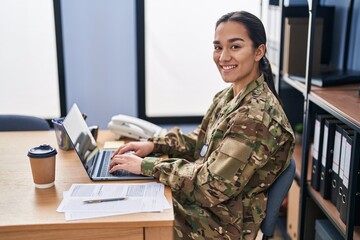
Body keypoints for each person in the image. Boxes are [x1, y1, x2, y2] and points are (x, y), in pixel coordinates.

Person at [110, 11, 295, 240]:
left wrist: (148, 167)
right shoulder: (229, 96)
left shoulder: (255, 117)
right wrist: (152, 145)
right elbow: (200, 142)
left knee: (127, 223)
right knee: (124, 204)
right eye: (218, 47)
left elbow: (211, 185)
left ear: (259, 52)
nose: (223, 57)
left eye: (235, 47)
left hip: (222, 224)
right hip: (207, 207)